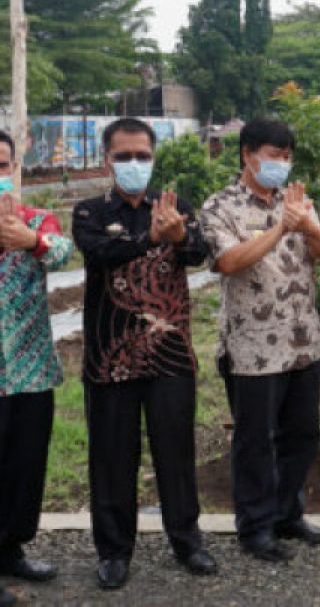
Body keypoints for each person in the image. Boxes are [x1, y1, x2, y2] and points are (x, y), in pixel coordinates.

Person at [72, 118, 216, 590]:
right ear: (106, 159)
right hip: (110, 356)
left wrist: (178, 235)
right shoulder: (89, 211)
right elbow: (101, 254)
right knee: (113, 456)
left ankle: (187, 540)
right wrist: (152, 239)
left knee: (176, 450)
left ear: (154, 158)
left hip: (170, 354)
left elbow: (199, 253)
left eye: (143, 155)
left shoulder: (175, 207)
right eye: (124, 156)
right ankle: (114, 551)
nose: (134, 164)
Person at [200, 118, 320, 562]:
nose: (282, 163)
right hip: (252, 349)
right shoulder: (220, 206)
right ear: (248, 154)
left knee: (302, 435)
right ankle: (255, 527)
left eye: (287, 156)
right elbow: (229, 261)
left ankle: (287, 514)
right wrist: (280, 227)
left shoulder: (297, 202)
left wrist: (308, 226)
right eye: (274, 155)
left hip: (304, 342)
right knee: (255, 441)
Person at [0, 130, 74, 603]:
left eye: (3, 165)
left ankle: (10, 551)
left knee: (24, 469)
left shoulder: (37, 219)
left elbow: (65, 252)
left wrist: (31, 241)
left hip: (30, 371)